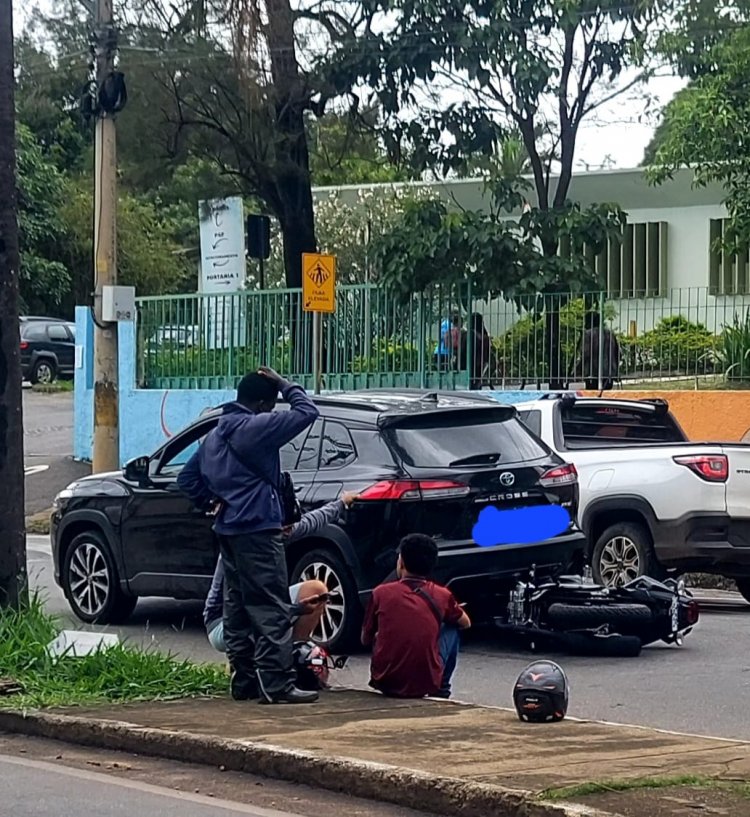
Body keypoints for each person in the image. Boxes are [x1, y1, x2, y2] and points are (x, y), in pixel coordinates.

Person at [177, 366, 319, 705]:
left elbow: (187, 478)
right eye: (270, 405)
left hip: (228, 530)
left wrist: (211, 501)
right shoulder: (257, 426)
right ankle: (277, 684)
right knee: (270, 605)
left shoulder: (214, 435)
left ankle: (244, 681)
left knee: (237, 607)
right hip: (258, 528)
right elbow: (307, 411)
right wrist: (286, 383)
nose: (272, 411)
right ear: (261, 404)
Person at [204, 492, 359, 655]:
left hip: (262, 610)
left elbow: (313, 521)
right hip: (225, 623)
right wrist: (296, 609)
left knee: (316, 590)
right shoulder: (246, 546)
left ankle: (293, 655)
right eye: (286, 527)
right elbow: (258, 606)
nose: (289, 531)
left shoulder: (279, 531)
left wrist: (342, 503)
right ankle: (250, 664)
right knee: (267, 621)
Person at [361, 534, 471, 699]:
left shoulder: (381, 593)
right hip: (425, 682)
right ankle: (442, 689)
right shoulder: (442, 594)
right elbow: (466, 623)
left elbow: (365, 639)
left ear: (401, 563)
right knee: (452, 628)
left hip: (385, 680)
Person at [572, 312, 620, 391]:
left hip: (592, 373)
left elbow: (585, 355)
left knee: (593, 395)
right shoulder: (610, 334)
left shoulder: (588, 334)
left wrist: (577, 371)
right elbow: (617, 353)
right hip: (609, 374)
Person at [461, 312, 492, 389]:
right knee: (477, 382)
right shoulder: (484, 335)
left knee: (468, 383)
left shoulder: (468, 334)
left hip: (467, 362)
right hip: (480, 363)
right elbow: (488, 350)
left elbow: (462, 350)